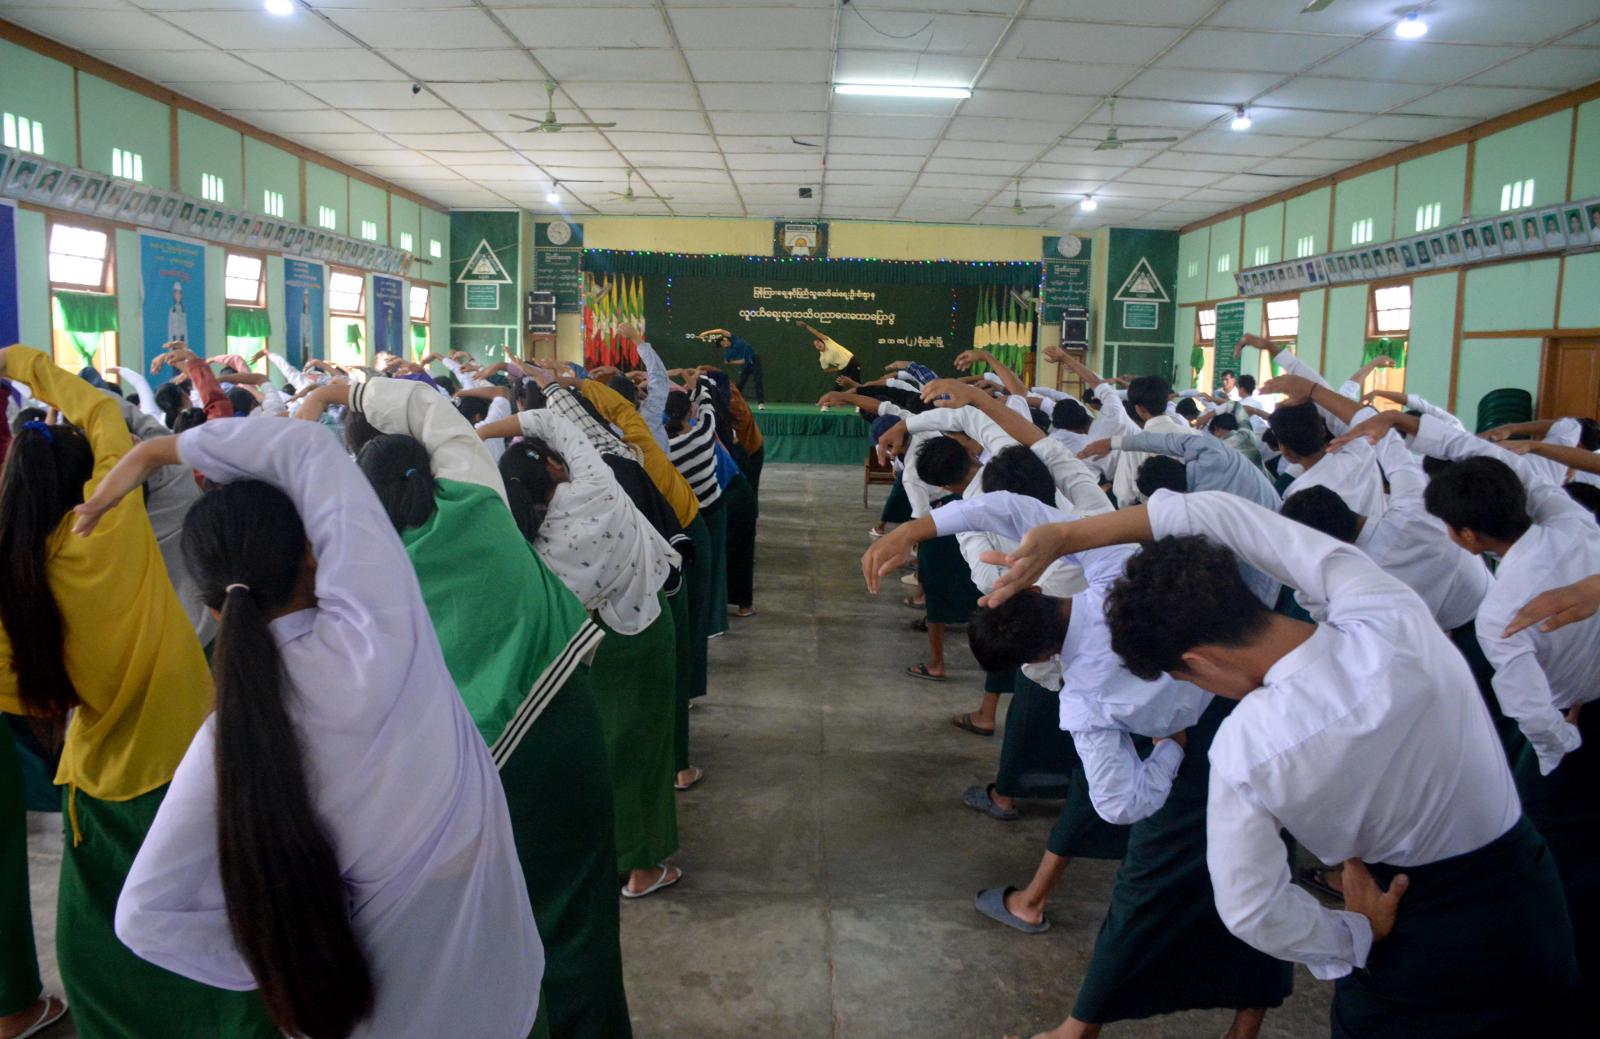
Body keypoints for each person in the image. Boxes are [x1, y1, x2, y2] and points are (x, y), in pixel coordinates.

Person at [982, 490, 1581, 1038]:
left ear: (1201, 661)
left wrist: (1352, 935)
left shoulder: (1249, 743)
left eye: (1182, 676)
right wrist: (1069, 535)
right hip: (1530, 886)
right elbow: (1221, 514)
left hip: (1410, 916)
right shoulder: (1390, 610)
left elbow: (1252, 908)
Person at [81, 418, 545, 1039]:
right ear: (310, 553)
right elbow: (305, 448)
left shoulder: (227, 740)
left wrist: (292, 950)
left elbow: (145, 917)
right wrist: (149, 455)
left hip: (363, 1015)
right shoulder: (380, 631)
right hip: (501, 990)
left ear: (211, 607)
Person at [864, 491, 1291, 1039]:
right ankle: (1245, 1022)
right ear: (1035, 588)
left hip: (1207, 747)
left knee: (1154, 893)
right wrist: (916, 529)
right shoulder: (1114, 567)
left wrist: (1170, 747)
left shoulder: (1084, 704)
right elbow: (1009, 507)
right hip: (1265, 680)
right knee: (1267, 863)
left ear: (1038, 659)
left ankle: (1086, 1024)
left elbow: (1120, 804)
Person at [315, 377, 632, 1038]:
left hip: (467, 772)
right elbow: (429, 407)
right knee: (580, 918)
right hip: (562, 729)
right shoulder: (479, 498)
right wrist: (344, 389)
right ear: (428, 461)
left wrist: (304, 419)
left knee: (498, 940)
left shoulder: (356, 571)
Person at [0, 345, 277, 1039]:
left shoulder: (16, 583)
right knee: (221, 918)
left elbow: (26, 697)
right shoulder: (110, 526)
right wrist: (17, 360)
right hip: (188, 752)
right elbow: (106, 415)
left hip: (98, 774)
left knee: (103, 934)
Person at [1338, 408, 1600, 1005]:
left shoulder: (1503, 611)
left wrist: (1562, 745)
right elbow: (1506, 467)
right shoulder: (1571, 519)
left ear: (1466, 537)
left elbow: (1533, 715)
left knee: (1552, 853)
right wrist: (1412, 424)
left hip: (1575, 728)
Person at [478, 402, 686, 898]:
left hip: (588, 649)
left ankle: (605, 856)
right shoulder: (596, 486)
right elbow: (551, 420)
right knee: (644, 749)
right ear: (555, 465)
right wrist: (478, 432)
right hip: (644, 630)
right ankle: (641, 866)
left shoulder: (532, 547)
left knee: (606, 749)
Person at [700, 329, 763, 408]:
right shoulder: (728, 352)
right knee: (740, 383)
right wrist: (736, 361)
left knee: (758, 381)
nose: (723, 346)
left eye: (722, 344)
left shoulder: (733, 338)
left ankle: (760, 403)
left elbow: (721, 330)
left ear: (724, 340)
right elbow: (728, 362)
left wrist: (706, 332)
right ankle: (734, 401)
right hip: (745, 364)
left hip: (755, 360)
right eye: (721, 346)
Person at [796, 320, 861, 393]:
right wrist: (837, 368)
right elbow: (825, 370)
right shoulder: (822, 358)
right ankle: (830, 400)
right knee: (837, 388)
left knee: (857, 385)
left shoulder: (827, 341)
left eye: (818, 342)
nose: (818, 345)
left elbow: (817, 333)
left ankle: (861, 399)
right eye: (816, 345)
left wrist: (806, 326)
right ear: (816, 348)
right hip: (842, 368)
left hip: (852, 361)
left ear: (823, 342)